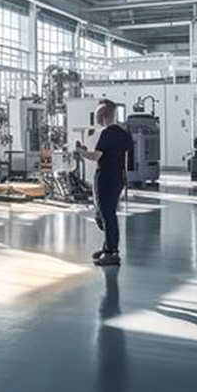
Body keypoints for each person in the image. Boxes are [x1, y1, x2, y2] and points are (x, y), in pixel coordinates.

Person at [78, 99, 134, 267]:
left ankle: (111, 252)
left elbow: (96, 156)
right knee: (109, 213)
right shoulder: (123, 133)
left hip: (105, 178)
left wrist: (82, 152)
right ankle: (107, 247)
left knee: (106, 215)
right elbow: (127, 157)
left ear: (102, 116)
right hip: (118, 178)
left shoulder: (107, 134)